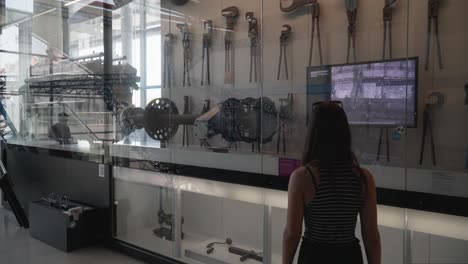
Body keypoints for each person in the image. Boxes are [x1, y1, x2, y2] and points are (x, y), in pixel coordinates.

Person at [282, 102, 381, 264]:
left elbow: (292, 234)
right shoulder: (364, 178)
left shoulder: (302, 177)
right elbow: (372, 237)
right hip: (349, 256)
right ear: (345, 132)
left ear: (313, 132)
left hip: (314, 256)